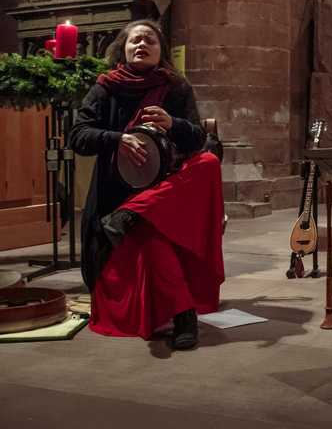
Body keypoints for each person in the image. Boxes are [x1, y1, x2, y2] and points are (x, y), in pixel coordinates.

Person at [71, 19, 224, 349]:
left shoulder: (176, 87)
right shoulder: (105, 88)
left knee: (209, 163)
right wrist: (116, 139)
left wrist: (175, 123)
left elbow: (199, 140)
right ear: (123, 50)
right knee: (150, 233)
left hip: (165, 190)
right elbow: (78, 137)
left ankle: (133, 213)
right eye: (135, 40)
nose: (142, 45)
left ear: (161, 51)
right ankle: (185, 315)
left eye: (150, 41)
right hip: (117, 193)